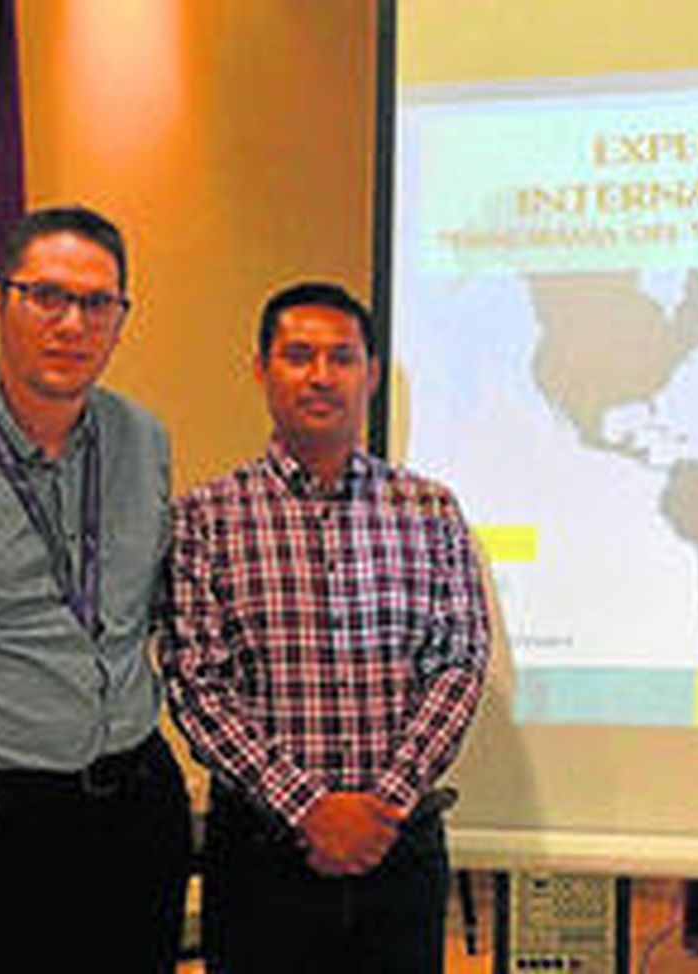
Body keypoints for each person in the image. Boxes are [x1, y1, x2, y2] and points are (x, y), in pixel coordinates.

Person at [0, 205, 192, 971]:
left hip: (128, 813)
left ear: (121, 319)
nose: (72, 323)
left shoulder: (144, 441)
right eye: (46, 296)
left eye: (97, 304)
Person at [161, 281, 491, 973]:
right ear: (261, 369)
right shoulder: (204, 519)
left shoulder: (430, 509)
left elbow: (458, 664)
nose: (320, 375)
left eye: (341, 357)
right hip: (261, 856)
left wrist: (383, 807)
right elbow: (197, 684)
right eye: (298, 355)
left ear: (370, 373)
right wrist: (309, 809)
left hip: (400, 851)